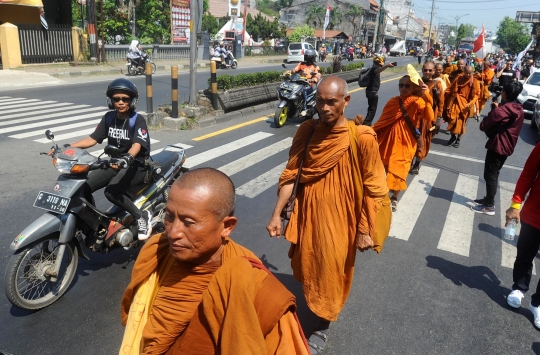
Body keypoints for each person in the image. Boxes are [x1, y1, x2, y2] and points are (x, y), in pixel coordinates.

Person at [120, 168, 310, 355]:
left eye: (188, 222)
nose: (173, 232)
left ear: (227, 226)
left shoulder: (256, 290)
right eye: (169, 216)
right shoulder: (157, 252)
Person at [266, 76, 388, 354]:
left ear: (346, 101)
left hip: (343, 219)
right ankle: (314, 300)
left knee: (332, 270)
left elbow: (375, 188)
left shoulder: (363, 138)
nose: (325, 107)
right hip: (308, 213)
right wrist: (276, 214)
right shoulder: (307, 130)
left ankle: (324, 322)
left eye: (332, 101)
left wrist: (365, 228)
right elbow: (291, 173)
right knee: (309, 261)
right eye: (320, 101)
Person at [53, 78, 152, 240]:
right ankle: (96, 224)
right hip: (114, 163)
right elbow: (92, 139)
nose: (120, 102)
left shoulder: (137, 120)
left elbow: (137, 145)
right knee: (81, 189)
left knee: (111, 191)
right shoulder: (108, 118)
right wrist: (68, 147)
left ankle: (141, 216)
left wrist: (128, 157)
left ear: (132, 100)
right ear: (110, 100)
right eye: (116, 99)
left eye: (125, 99)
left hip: (136, 164)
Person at [373, 74, 434, 211]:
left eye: (407, 86)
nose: (404, 88)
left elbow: (429, 116)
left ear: (413, 87)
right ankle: (382, 192)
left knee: (401, 169)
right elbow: (383, 121)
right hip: (388, 140)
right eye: (401, 85)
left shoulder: (417, 101)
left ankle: (394, 197)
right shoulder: (393, 101)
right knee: (385, 167)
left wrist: (427, 96)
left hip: (406, 142)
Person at [472, 81, 525, 215]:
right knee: (494, 173)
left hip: (498, 146)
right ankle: (488, 199)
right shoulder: (518, 109)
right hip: (507, 146)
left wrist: (494, 110)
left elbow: (483, 126)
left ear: (504, 93)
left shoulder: (501, 110)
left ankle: (489, 206)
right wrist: (498, 107)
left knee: (490, 175)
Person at [505, 142, 540, 329]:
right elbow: (528, 174)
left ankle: (538, 303)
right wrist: (515, 205)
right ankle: (519, 288)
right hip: (535, 215)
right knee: (525, 255)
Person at [410, 61, 444, 174]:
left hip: (427, 119)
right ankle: (409, 160)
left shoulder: (436, 84)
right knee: (410, 139)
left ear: (434, 71)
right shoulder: (416, 82)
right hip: (414, 116)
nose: (427, 72)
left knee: (423, 141)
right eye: (425, 70)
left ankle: (417, 162)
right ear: (422, 70)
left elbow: (440, 103)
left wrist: (438, 119)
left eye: (430, 70)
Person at [444, 65, 481, 148]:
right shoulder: (459, 78)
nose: (468, 75)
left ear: (472, 73)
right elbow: (451, 88)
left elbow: (476, 96)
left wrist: (472, 105)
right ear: (464, 72)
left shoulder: (475, 82)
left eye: (470, 73)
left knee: (462, 123)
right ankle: (453, 137)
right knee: (451, 120)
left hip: (465, 106)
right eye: (466, 73)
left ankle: (458, 139)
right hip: (455, 103)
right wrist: (444, 94)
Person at [363, 55, 395, 126]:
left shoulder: (373, 68)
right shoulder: (374, 68)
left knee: (371, 108)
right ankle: (366, 123)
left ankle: (367, 122)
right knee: (372, 109)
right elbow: (378, 70)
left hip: (370, 91)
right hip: (372, 92)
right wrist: (387, 66)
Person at [291, 48, 321, 116]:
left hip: (310, 84)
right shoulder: (301, 64)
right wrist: (290, 72)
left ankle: (304, 109)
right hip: (301, 82)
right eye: (307, 57)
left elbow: (318, 75)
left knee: (303, 91)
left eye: (310, 57)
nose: (308, 58)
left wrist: (313, 79)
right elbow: (295, 70)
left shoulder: (315, 67)